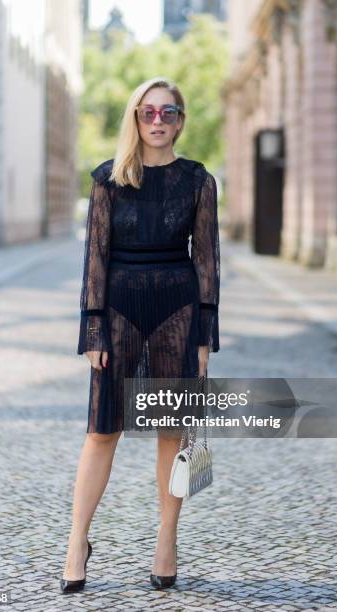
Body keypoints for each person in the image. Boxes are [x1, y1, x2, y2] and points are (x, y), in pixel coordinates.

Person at [60, 76, 220, 593]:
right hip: (120, 311)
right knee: (103, 431)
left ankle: (167, 540)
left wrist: (204, 336)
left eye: (168, 112)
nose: (158, 121)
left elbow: (207, 262)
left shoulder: (198, 181)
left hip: (178, 310)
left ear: (181, 120)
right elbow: (95, 258)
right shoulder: (108, 179)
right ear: (135, 117)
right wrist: (92, 329)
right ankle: (76, 540)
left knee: (170, 433)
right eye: (148, 112)